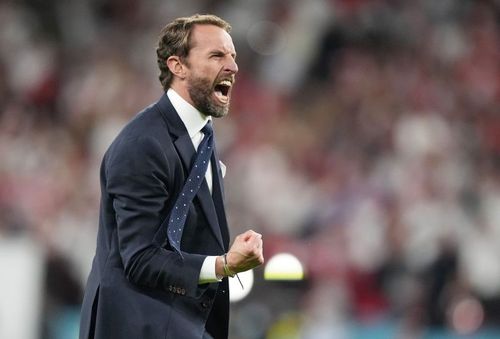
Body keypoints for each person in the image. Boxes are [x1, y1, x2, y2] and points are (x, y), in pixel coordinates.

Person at [79, 14, 264, 339]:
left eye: (233, 56)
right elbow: (139, 258)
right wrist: (224, 264)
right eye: (217, 55)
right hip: (137, 327)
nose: (233, 67)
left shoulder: (199, 135)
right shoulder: (143, 144)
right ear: (178, 66)